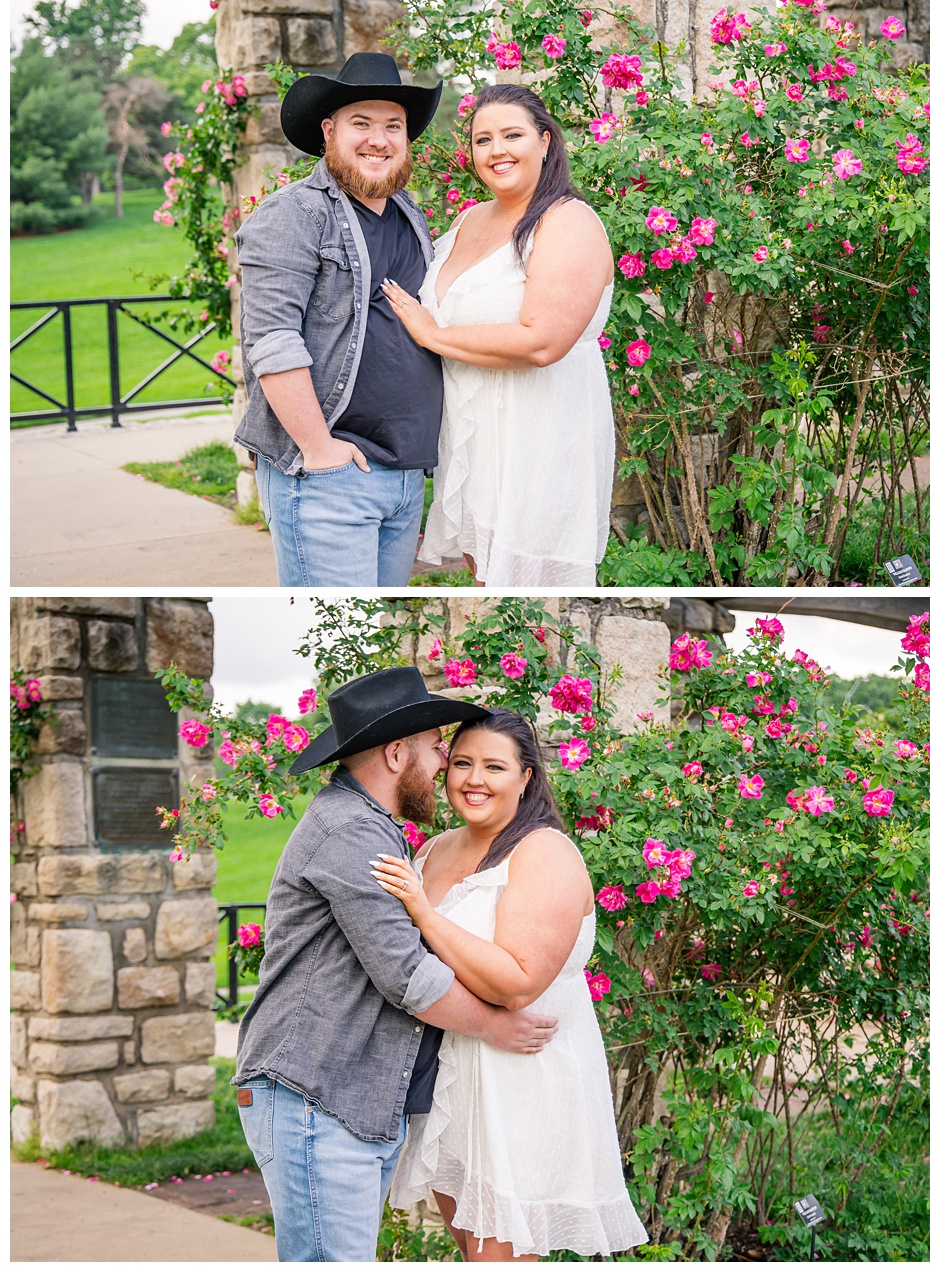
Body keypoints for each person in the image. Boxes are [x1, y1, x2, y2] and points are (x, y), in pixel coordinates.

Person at [235, 667, 561, 1262]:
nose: (445, 764)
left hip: (344, 1098)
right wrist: (495, 1025)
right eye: (439, 750)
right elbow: (408, 976)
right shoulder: (351, 832)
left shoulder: (376, 828)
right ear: (394, 753)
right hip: (316, 1091)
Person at [372, 709, 646, 1260]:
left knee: (500, 1257)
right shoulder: (434, 850)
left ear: (526, 777)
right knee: (474, 1250)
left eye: (494, 766)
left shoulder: (543, 853)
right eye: (463, 763)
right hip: (452, 1075)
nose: (474, 780)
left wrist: (424, 913)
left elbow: (518, 983)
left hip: (521, 1078)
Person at [379, 83, 616, 586]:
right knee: (484, 577)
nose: (497, 151)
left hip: (537, 431)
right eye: (483, 140)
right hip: (474, 431)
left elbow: (542, 341)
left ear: (545, 141)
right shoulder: (468, 219)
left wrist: (432, 335)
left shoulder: (566, 221)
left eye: (512, 135)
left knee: (526, 590)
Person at [234, 53, 446, 587]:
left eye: (392, 126)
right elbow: (272, 339)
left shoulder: (410, 215)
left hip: (403, 479)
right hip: (329, 476)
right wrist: (318, 448)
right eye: (362, 123)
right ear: (329, 130)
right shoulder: (293, 214)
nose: (379, 139)